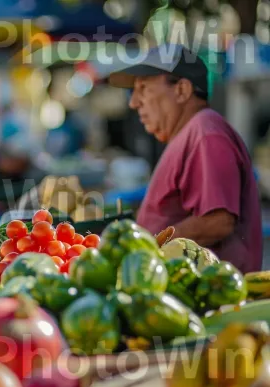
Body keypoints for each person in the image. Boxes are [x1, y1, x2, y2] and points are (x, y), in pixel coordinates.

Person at [107, 44, 262, 273]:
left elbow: (217, 221)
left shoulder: (205, 132)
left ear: (181, 90)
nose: (134, 102)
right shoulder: (192, 132)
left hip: (212, 296)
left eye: (143, 88)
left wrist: (145, 249)